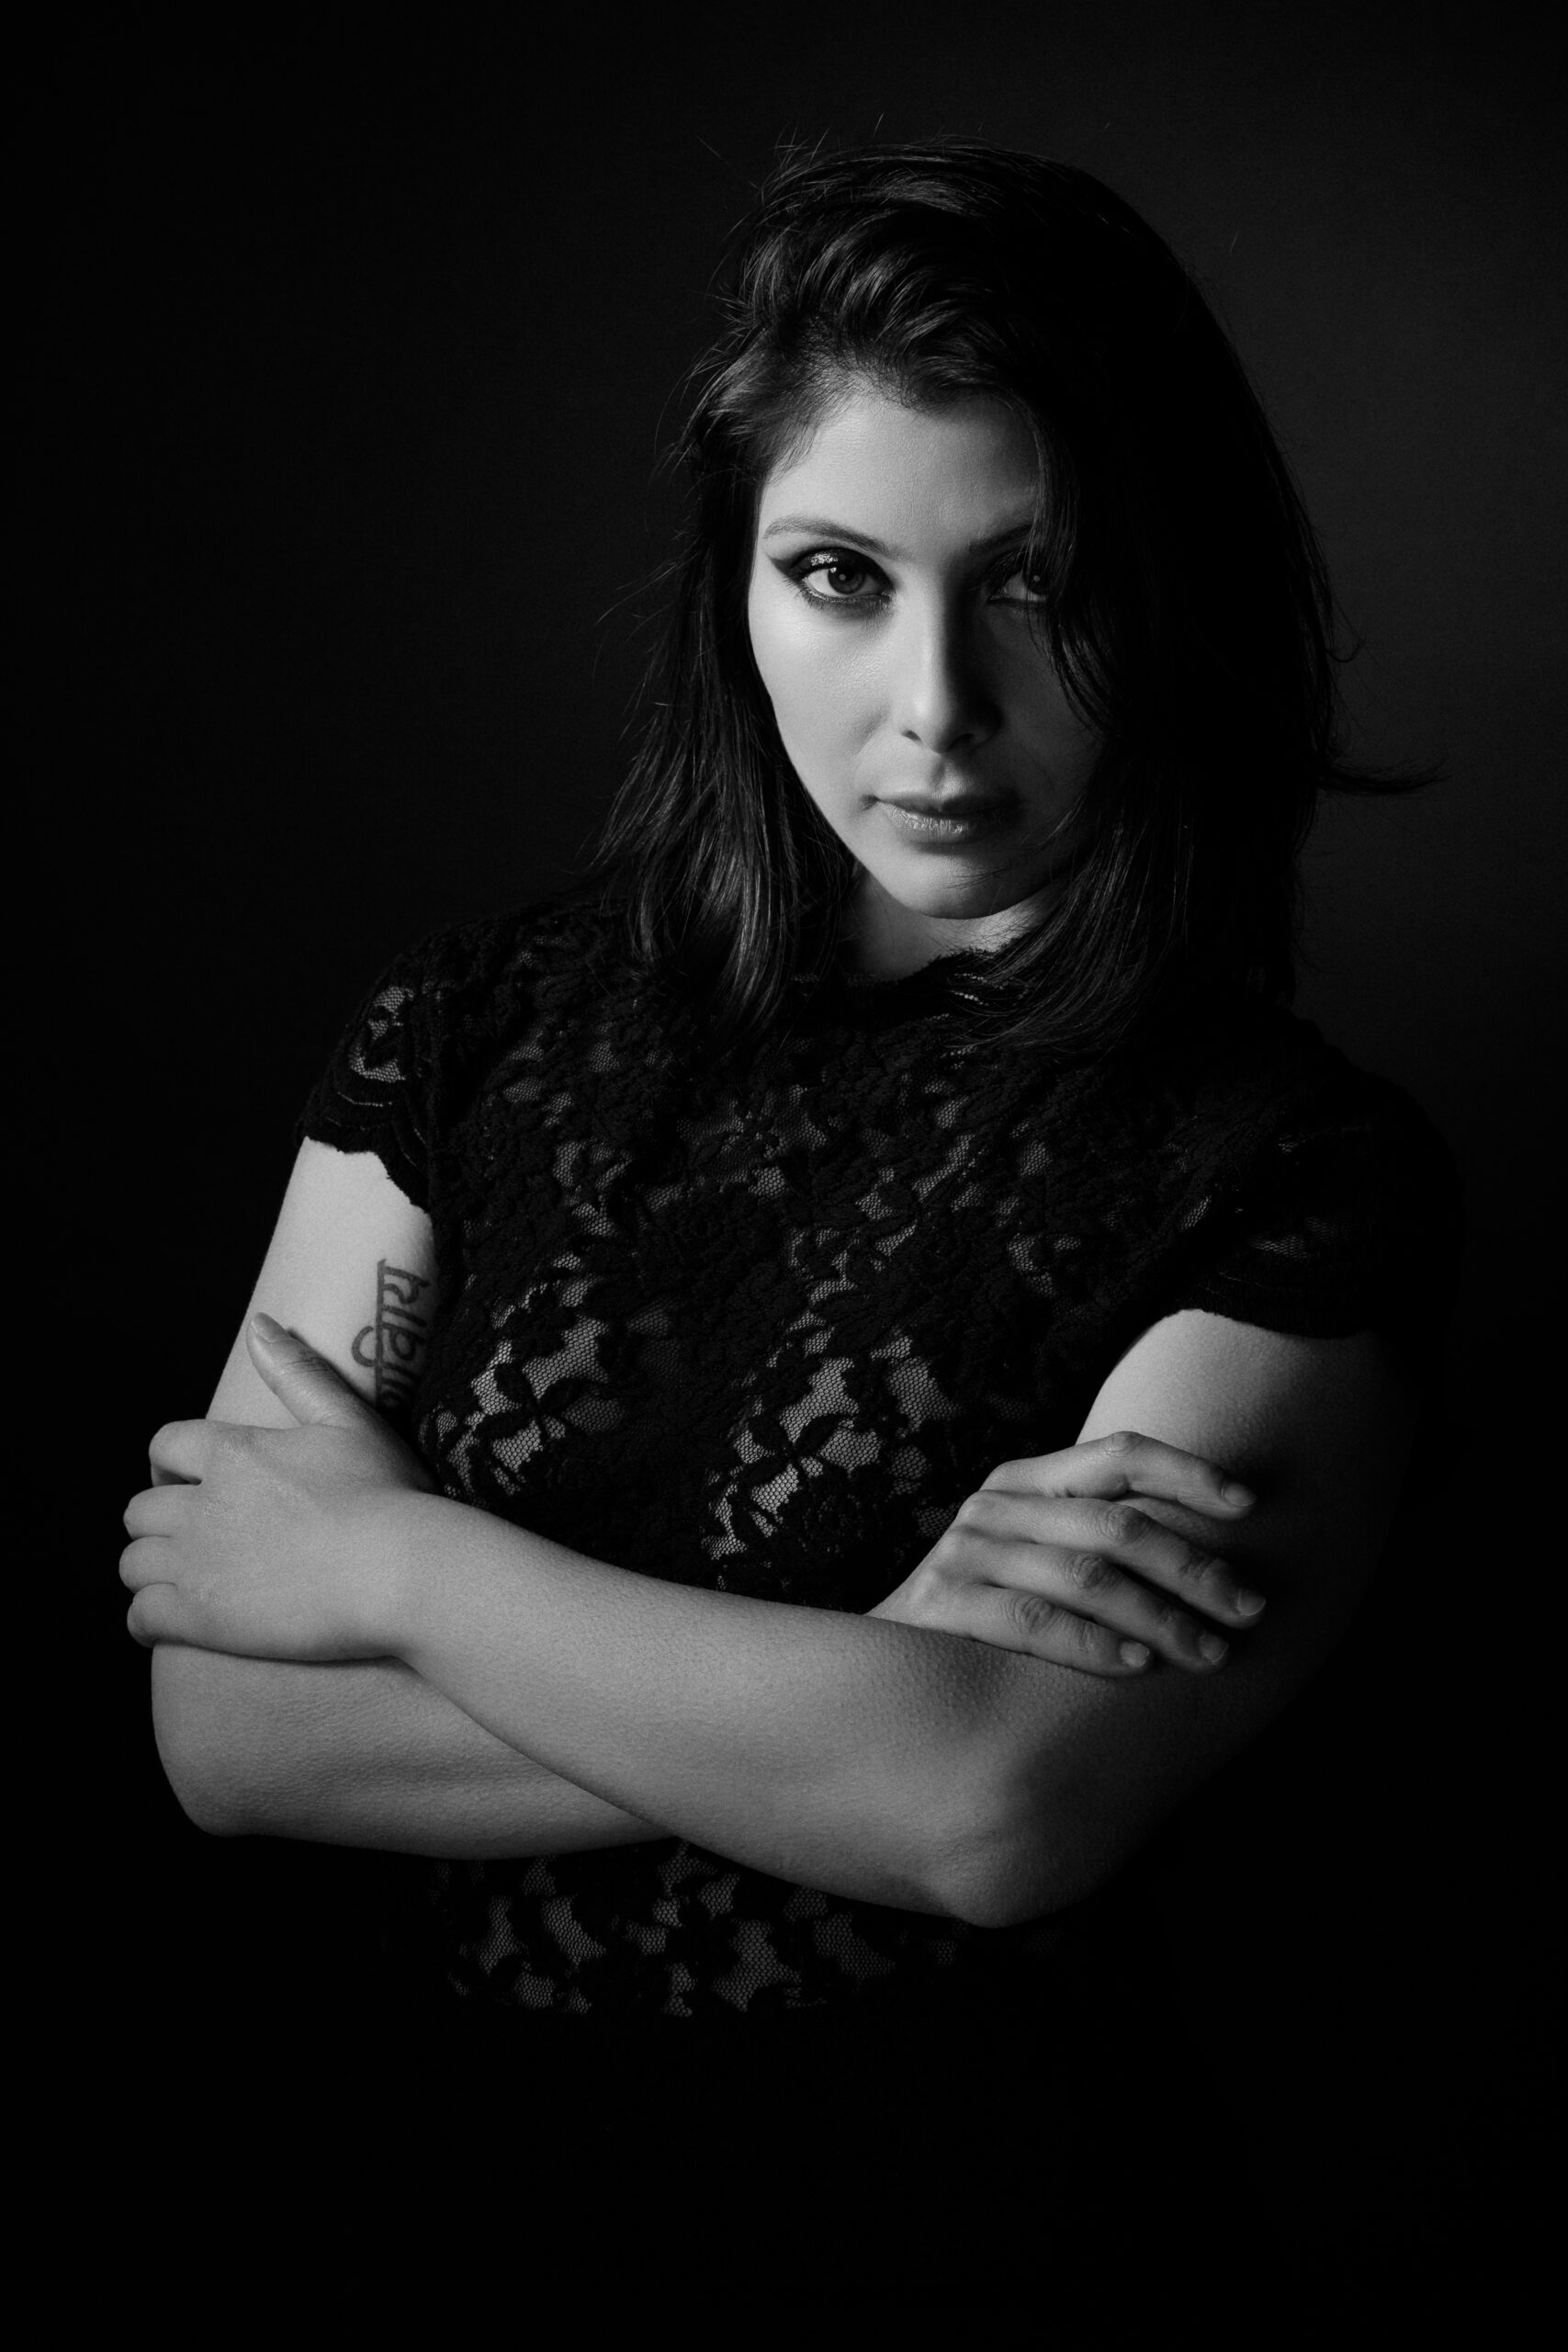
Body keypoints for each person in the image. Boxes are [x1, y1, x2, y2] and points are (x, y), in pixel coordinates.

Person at [120, 142, 1459, 2305]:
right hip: (430, 2231)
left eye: (1037, 583)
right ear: (734, 587)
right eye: (837, 573)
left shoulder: (1293, 1174)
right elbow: (225, 1729)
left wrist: (382, 1562)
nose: (933, 705)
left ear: (1174, 596)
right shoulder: (473, 1031)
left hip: (970, 2254)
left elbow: (986, 1807)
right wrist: (864, 1657)